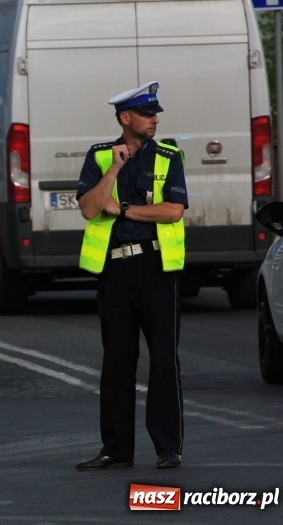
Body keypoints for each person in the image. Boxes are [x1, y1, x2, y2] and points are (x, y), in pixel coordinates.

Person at [75, 81, 188, 471]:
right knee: (117, 361)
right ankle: (116, 449)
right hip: (115, 269)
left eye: (155, 114)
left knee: (163, 361)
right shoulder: (100, 157)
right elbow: (90, 208)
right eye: (147, 114)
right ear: (126, 118)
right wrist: (117, 167)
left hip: (157, 269)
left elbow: (173, 211)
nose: (154, 119)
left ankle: (168, 448)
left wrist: (122, 209)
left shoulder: (170, 156)